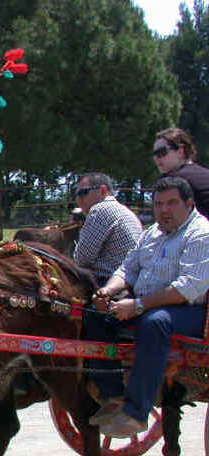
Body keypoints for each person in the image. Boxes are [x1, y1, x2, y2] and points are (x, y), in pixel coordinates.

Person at [87, 176, 209, 437]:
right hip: (147, 306)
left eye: (171, 203)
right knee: (93, 316)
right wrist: (107, 292)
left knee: (154, 323)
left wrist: (138, 305)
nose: (164, 210)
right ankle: (112, 397)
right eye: (158, 204)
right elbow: (127, 269)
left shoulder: (200, 233)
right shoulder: (152, 233)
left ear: (189, 204)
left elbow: (187, 287)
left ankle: (136, 413)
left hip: (189, 311)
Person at [73, 173, 143, 285]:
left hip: (106, 281)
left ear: (102, 190)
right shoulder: (127, 212)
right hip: (129, 280)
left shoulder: (100, 209)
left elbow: (82, 259)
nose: (79, 199)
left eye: (83, 192)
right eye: (76, 194)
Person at [154, 127, 209, 218]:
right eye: (155, 154)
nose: (156, 158)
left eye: (161, 152)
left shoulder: (171, 181)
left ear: (180, 151)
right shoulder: (206, 174)